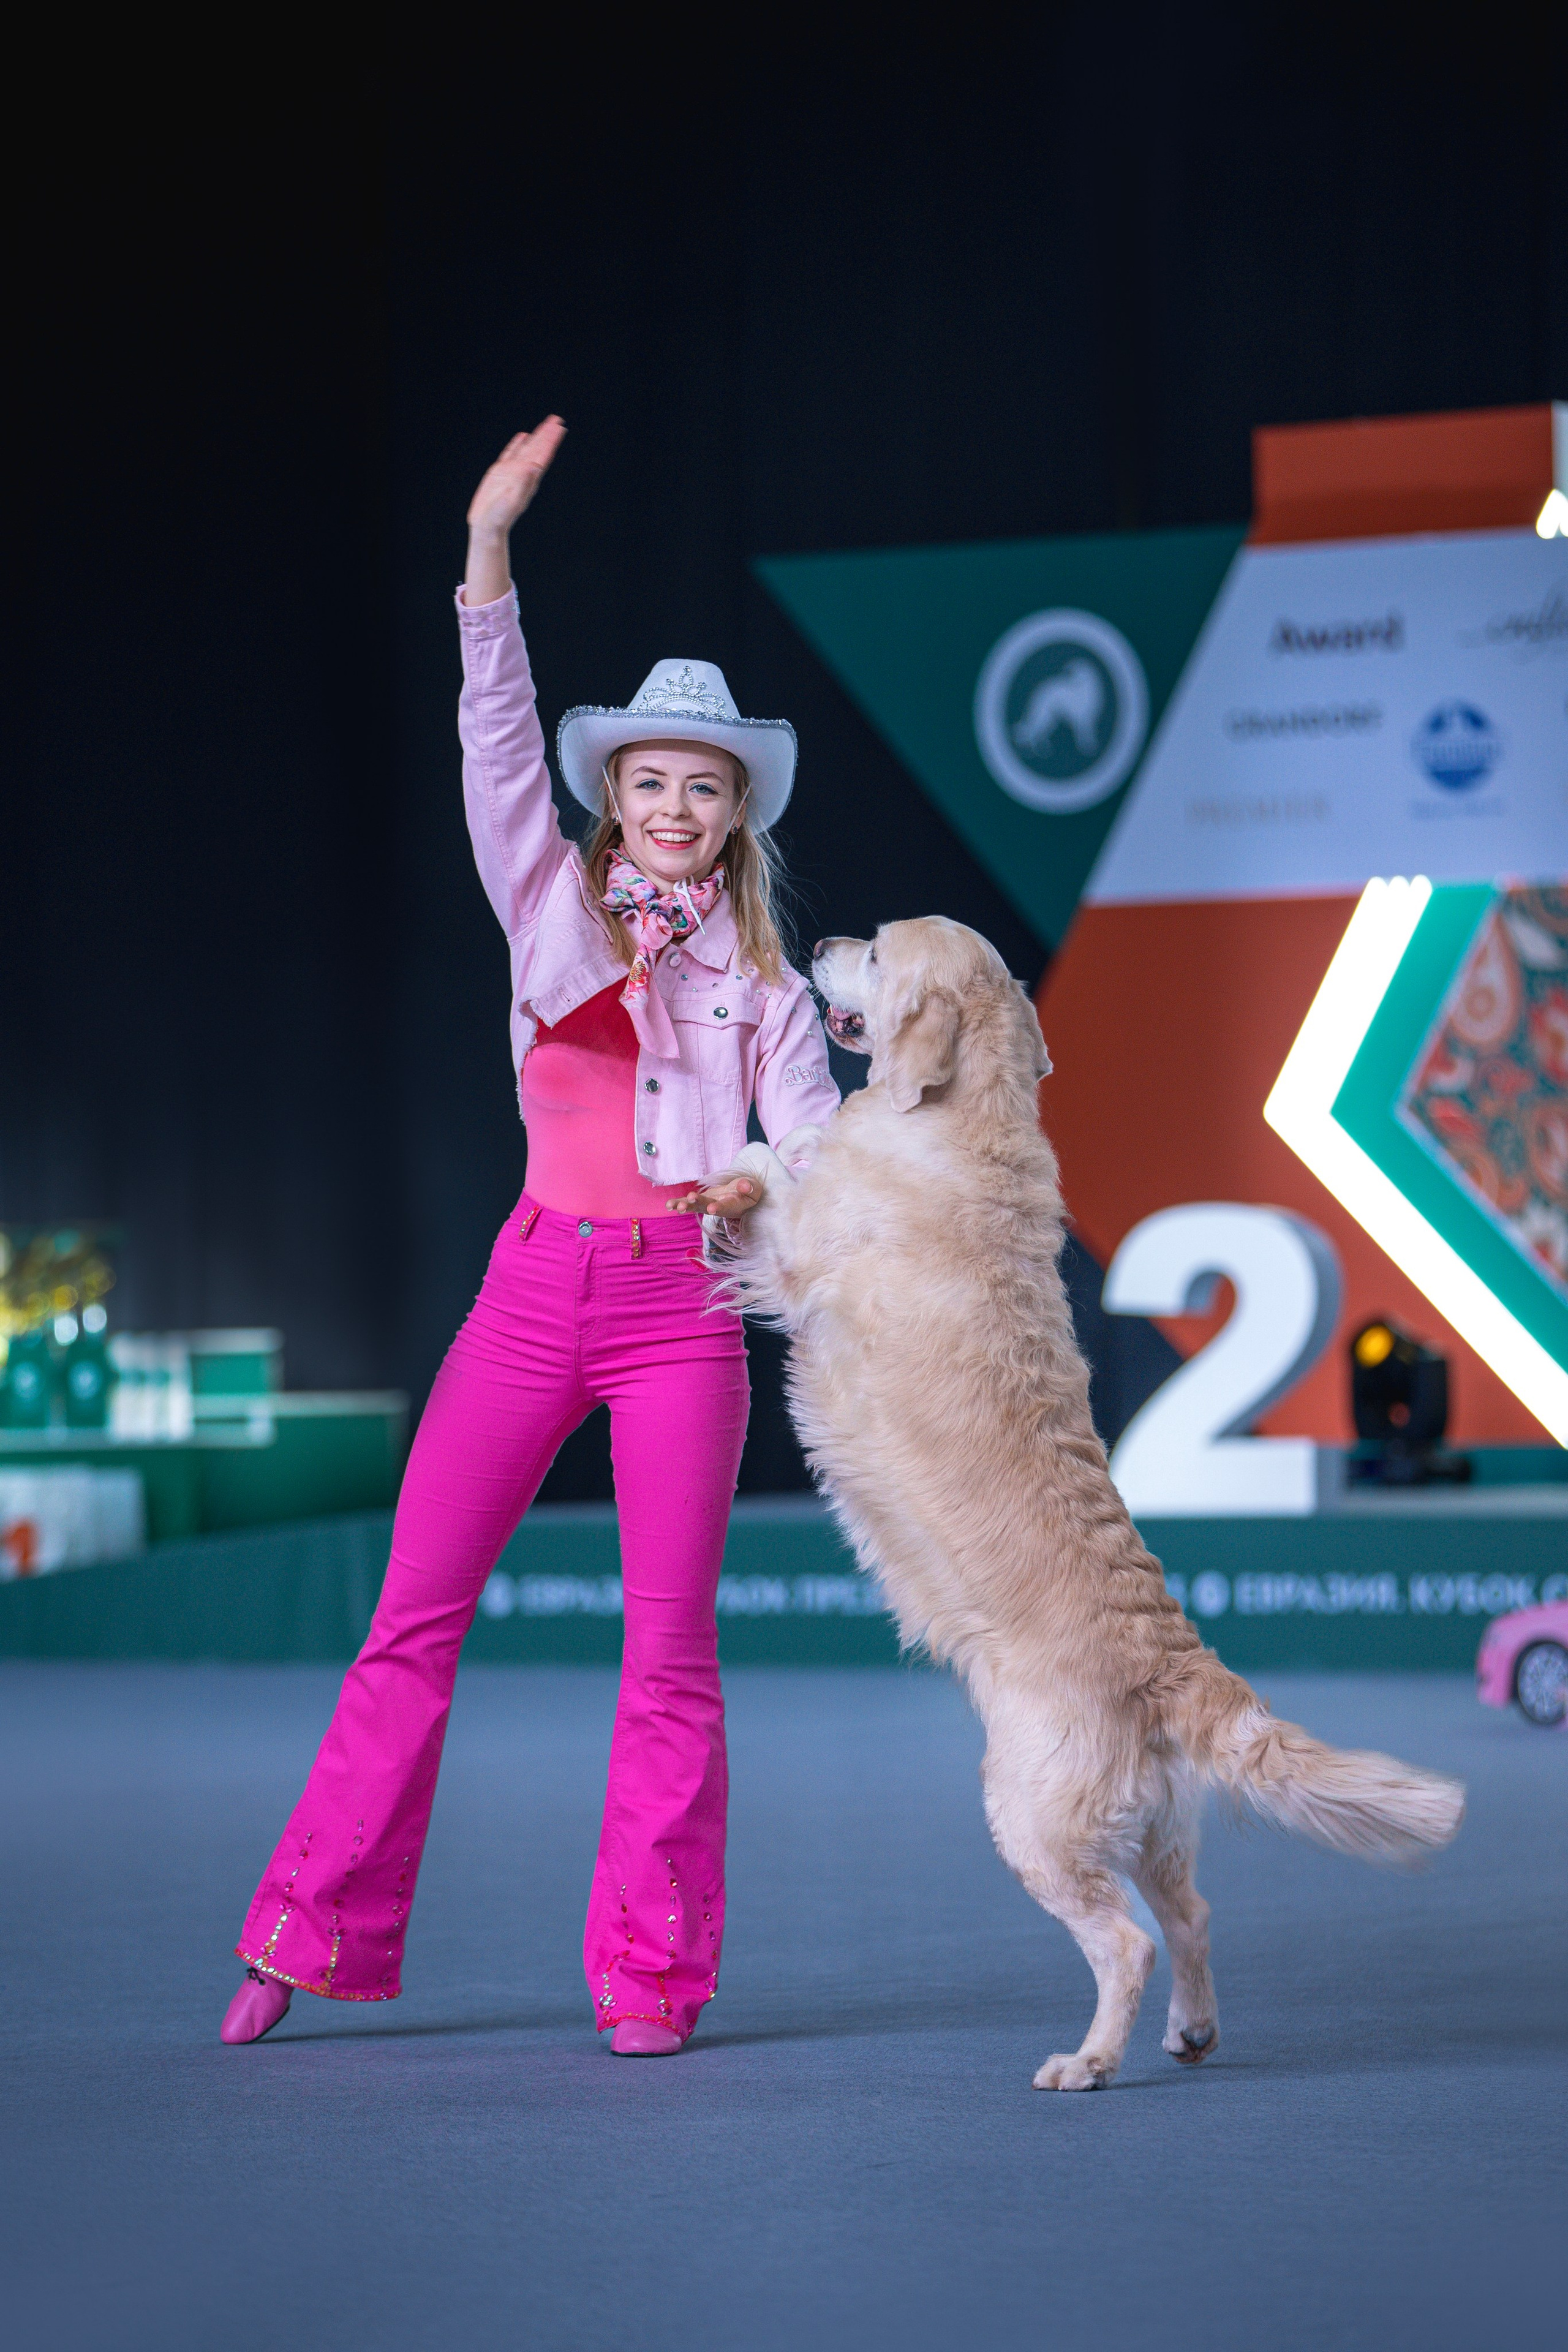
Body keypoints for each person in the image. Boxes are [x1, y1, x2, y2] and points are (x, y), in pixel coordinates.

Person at [221, 418, 839, 2056]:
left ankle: (652, 1979)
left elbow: (813, 1152)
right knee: (411, 1621)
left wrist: (761, 1186)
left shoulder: (769, 991)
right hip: (531, 1292)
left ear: (734, 814)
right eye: (651, 781)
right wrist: (488, 547)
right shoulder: (549, 900)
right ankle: (300, 1935)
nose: (675, 806)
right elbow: (496, 735)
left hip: (681, 1317)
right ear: (614, 796)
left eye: (702, 787)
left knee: (669, 1653)